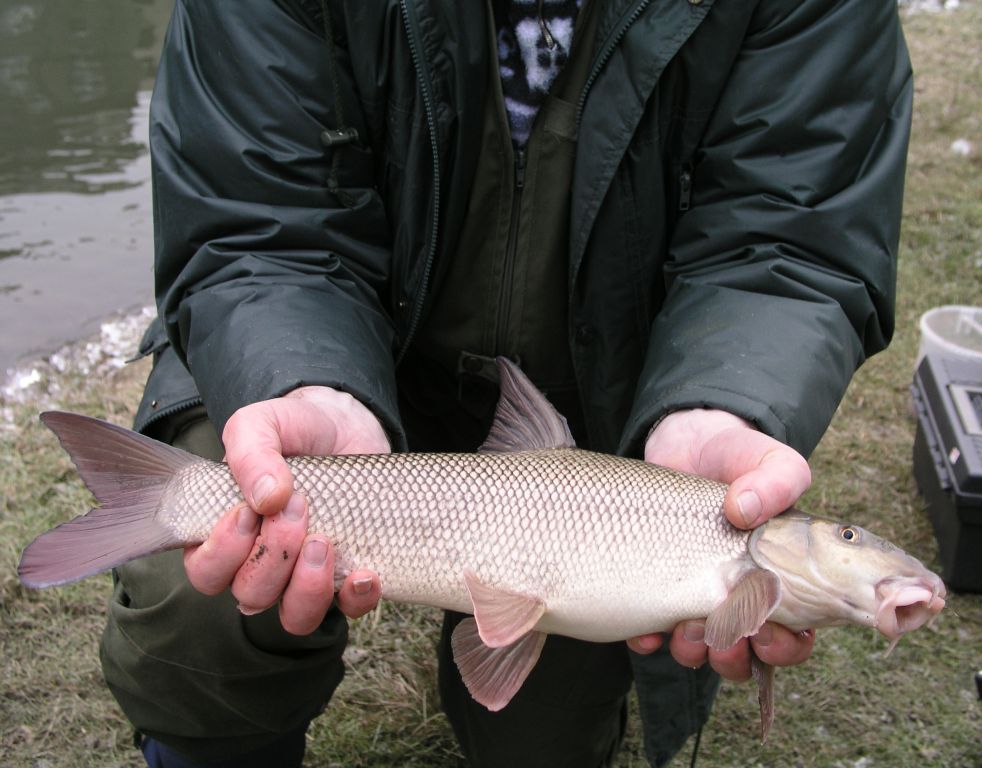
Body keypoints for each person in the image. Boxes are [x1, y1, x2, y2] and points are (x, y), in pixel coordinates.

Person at [108, 0, 912, 766]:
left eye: (846, 538)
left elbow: (788, 239)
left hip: (617, 392)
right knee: (197, 607)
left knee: (543, 741)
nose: (851, 543)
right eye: (846, 536)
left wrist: (724, 400)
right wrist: (301, 379)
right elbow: (257, 220)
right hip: (330, 339)